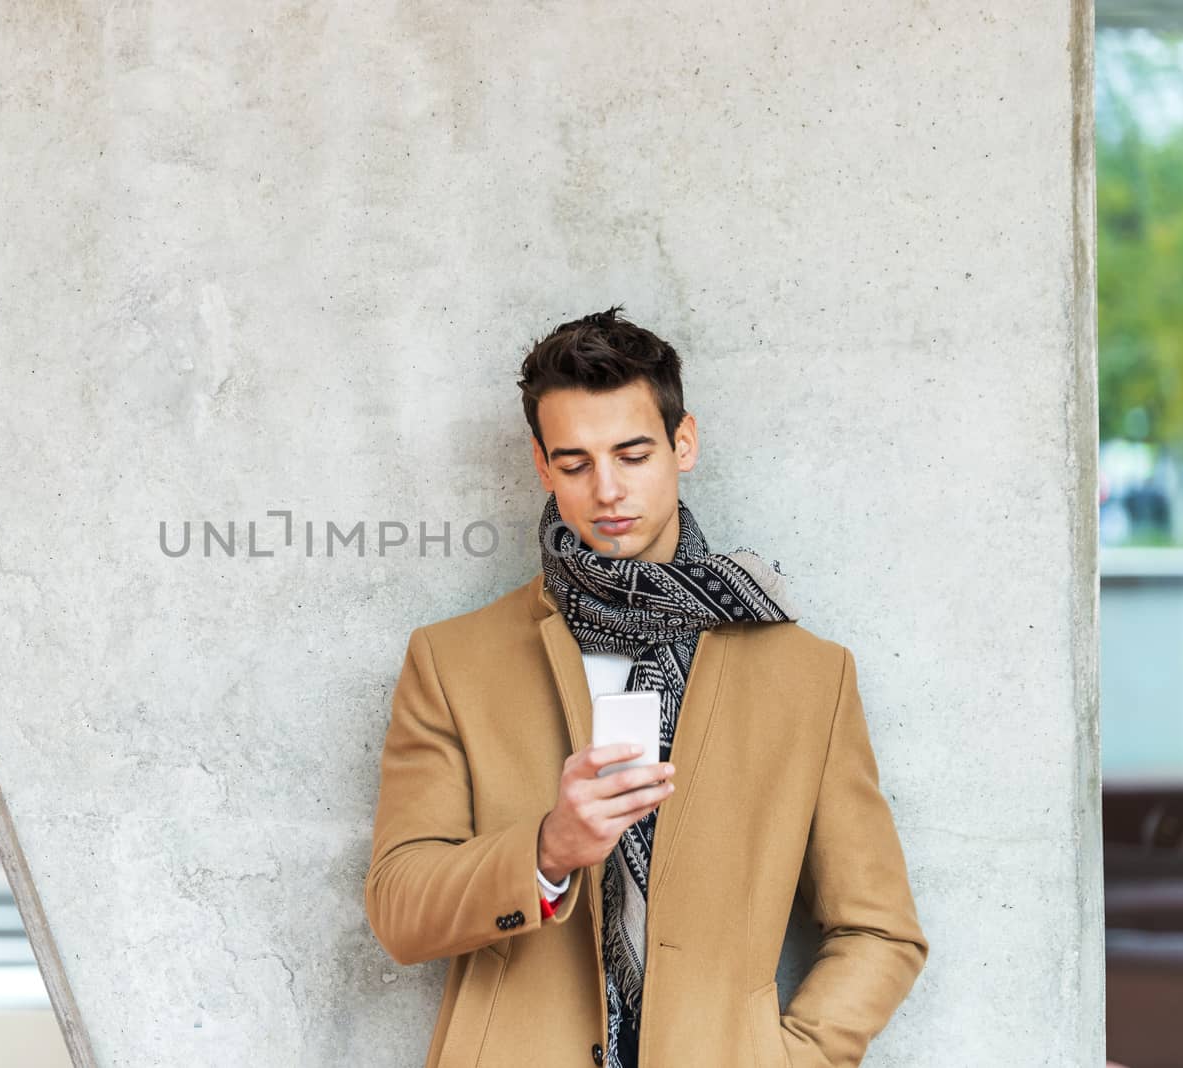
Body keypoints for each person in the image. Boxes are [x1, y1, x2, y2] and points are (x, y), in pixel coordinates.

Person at [363, 306, 928, 1067]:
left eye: (632, 455)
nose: (606, 491)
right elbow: (400, 910)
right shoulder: (452, 662)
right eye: (574, 464)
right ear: (541, 465)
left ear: (682, 442)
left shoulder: (808, 677)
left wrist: (782, 1060)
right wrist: (547, 849)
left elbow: (879, 929)